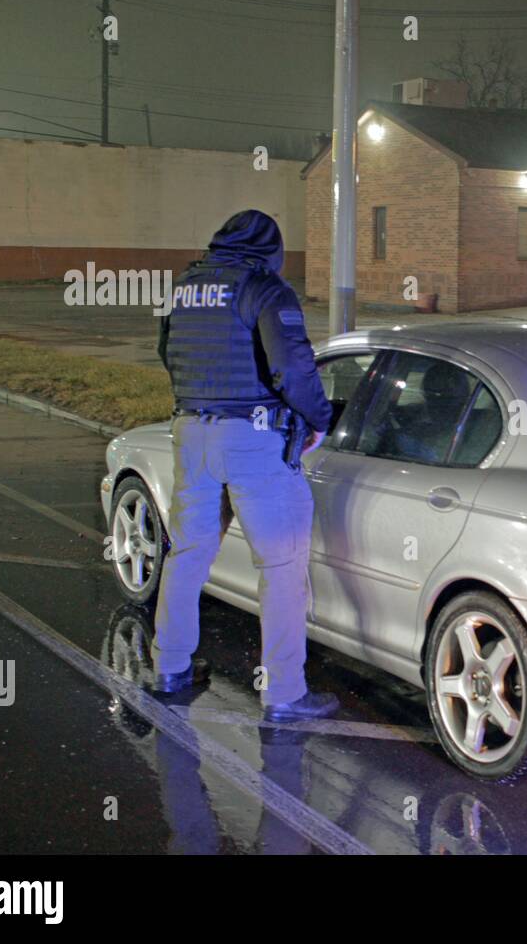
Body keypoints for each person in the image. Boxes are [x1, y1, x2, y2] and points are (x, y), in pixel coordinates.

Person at [152, 209, 340, 722]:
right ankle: (284, 694)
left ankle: (169, 667)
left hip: (190, 432)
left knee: (187, 554)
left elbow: (167, 354)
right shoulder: (263, 288)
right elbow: (293, 365)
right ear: (269, 249)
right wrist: (320, 418)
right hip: (253, 440)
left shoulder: (185, 288)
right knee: (280, 567)